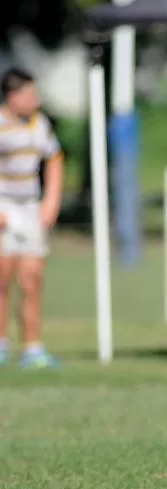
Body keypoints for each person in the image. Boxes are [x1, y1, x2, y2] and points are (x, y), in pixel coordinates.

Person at [0, 67, 63, 369]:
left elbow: (54, 159)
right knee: (3, 277)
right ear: (13, 96)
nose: (35, 100)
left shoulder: (39, 124)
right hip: (4, 207)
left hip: (30, 208)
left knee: (32, 278)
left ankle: (32, 347)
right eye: (29, 94)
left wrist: (51, 201)